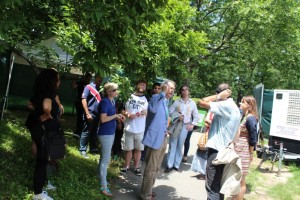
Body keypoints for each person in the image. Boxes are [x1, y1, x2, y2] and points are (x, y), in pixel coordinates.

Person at [198, 83, 240, 200]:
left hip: (217, 151)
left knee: (212, 187)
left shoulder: (225, 104)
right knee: (219, 186)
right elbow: (237, 131)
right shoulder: (235, 107)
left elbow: (201, 102)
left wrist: (218, 97)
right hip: (226, 151)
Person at [26, 68, 62, 200]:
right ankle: (38, 194)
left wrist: (38, 113)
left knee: (43, 157)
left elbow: (29, 103)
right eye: (58, 78)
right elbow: (47, 106)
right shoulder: (51, 92)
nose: (59, 81)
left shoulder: (39, 90)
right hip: (42, 129)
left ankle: (43, 183)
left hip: (35, 126)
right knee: (42, 161)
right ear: (52, 80)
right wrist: (46, 114)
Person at [140, 80, 176, 200]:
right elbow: (153, 109)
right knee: (151, 168)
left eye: (173, 89)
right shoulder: (156, 97)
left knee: (156, 168)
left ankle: (149, 190)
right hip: (155, 139)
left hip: (163, 137)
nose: (171, 90)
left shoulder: (166, 101)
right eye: (169, 88)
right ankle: (145, 194)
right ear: (164, 87)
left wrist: (166, 129)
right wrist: (162, 92)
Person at [97, 82, 124, 197]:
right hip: (105, 134)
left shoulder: (112, 101)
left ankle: (102, 179)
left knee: (104, 158)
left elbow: (110, 116)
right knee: (105, 160)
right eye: (115, 90)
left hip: (110, 133)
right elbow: (103, 119)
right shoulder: (104, 102)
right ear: (109, 92)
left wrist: (118, 116)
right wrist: (116, 116)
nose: (117, 91)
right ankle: (103, 186)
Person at [165, 85, 199, 173]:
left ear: (189, 91)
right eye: (182, 90)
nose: (184, 91)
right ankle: (169, 165)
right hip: (176, 125)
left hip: (185, 126)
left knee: (180, 145)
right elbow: (170, 111)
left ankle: (176, 165)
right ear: (181, 92)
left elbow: (196, 116)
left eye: (186, 89)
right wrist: (177, 115)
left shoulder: (192, 103)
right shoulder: (177, 102)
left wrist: (192, 125)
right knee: (172, 145)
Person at [120, 80, 148, 176]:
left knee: (138, 149)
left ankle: (136, 167)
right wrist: (127, 113)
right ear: (136, 85)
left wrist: (145, 112)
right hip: (128, 128)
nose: (142, 86)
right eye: (140, 84)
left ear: (145, 88)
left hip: (140, 129)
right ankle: (127, 166)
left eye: (144, 85)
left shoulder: (146, 99)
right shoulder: (129, 96)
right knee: (128, 149)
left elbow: (150, 113)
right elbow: (121, 109)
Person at [232, 96, 258, 200]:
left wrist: (251, 153)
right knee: (236, 177)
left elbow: (253, 138)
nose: (240, 104)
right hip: (239, 149)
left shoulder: (251, 118)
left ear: (250, 105)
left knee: (241, 178)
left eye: (243, 102)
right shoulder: (245, 116)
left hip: (244, 151)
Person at [79, 73, 102, 158]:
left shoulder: (101, 89)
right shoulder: (88, 87)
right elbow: (83, 100)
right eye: (99, 77)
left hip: (98, 114)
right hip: (90, 113)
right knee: (86, 131)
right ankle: (82, 149)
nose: (101, 79)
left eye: (102, 78)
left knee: (94, 132)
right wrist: (87, 113)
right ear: (95, 77)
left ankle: (93, 148)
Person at [141, 82, 161, 161]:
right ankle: (141, 154)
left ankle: (145, 155)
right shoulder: (147, 97)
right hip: (145, 119)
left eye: (159, 89)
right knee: (143, 136)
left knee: (150, 137)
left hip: (154, 121)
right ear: (153, 89)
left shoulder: (161, 99)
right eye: (155, 88)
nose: (157, 90)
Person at [72, 72, 92, 138]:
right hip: (79, 102)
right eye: (88, 78)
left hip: (85, 103)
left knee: (83, 118)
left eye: (90, 78)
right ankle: (78, 132)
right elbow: (74, 86)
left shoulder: (89, 85)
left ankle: (80, 132)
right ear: (85, 77)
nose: (89, 79)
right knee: (80, 117)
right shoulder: (81, 82)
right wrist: (75, 79)